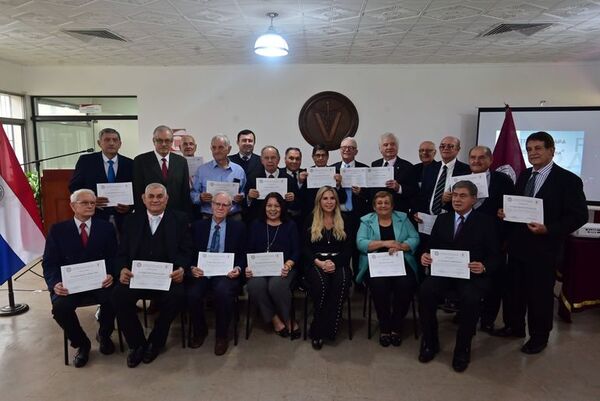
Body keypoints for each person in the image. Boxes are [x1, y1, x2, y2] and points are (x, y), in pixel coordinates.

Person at [497, 131, 587, 354]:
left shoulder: (569, 180)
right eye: (529, 149)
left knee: (539, 295)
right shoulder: (524, 175)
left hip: (544, 249)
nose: (532, 153)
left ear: (551, 150)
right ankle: (515, 327)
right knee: (514, 291)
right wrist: (505, 213)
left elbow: (579, 216)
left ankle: (539, 337)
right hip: (518, 246)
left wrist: (549, 229)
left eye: (538, 148)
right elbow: (519, 208)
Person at [419, 181, 500, 372]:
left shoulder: (486, 222)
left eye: (462, 196)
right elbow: (430, 246)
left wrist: (484, 266)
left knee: (471, 299)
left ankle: (462, 349)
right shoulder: (443, 219)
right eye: (454, 195)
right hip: (443, 273)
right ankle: (430, 342)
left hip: (471, 275)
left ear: (474, 199)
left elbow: (496, 256)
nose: (457, 199)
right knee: (425, 291)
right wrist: (425, 255)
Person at [112, 183, 191, 367]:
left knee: (177, 295)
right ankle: (137, 344)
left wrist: (181, 268)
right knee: (118, 296)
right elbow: (121, 252)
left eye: (159, 196)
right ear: (143, 199)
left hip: (167, 277)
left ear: (166, 199)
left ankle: (156, 341)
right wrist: (122, 269)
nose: (155, 200)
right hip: (137, 277)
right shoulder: (131, 221)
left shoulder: (180, 219)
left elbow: (187, 250)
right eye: (151, 196)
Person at [42, 189, 118, 367]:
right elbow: (49, 263)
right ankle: (82, 343)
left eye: (92, 202)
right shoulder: (58, 230)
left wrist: (111, 274)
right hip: (70, 284)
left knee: (115, 297)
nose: (90, 206)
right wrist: (55, 284)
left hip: (99, 281)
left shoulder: (105, 227)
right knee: (60, 307)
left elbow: (114, 257)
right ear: (72, 206)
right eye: (84, 202)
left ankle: (105, 335)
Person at [356, 191, 420, 347]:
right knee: (379, 286)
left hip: (401, 260)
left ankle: (397, 325)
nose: (383, 205)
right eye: (379, 203)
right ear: (374, 206)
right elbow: (361, 243)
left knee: (405, 285)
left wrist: (400, 246)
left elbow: (415, 238)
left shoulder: (403, 218)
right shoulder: (366, 221)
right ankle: (385, 326)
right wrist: (385, 243)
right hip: (376, 263)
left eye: (386, 202)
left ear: (392, 205)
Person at [187, 192, 246, 355]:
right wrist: (192, 267)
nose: (221, 208)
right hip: (202, 271)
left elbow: (244, 255)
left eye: (225, 205)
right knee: (192, 294)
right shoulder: (198, 226)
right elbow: (189, 253)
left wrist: (238, 269)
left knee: (223, 292)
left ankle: (221, 335)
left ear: (231, 208)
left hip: (226, 272)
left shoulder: (238, 227)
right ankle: (200, 331)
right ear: (211, 205)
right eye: (217, 204)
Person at [466, 146, 515, 333]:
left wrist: (506, 224)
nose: (476, 161)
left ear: (490, 160)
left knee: (494, 280)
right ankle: (465, 312)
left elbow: (511, 207)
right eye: (472, 157)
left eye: (481, 157)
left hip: (494, 238)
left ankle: (487, 319)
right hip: (465, 238)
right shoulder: (460, 178)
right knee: (466, 276)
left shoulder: (502, 180)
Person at [245, 192, 301, 339]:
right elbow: (249, 250)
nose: (273, 209)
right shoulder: (256, 225)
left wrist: (289, 264)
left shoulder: (290, 225)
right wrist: (248, 267)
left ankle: (288, 318)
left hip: (284, 269)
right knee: (255, 285)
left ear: (282, 208)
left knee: (276, 285)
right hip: (259, 270)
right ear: (264, 207)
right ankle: (275, 319)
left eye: (276, 206)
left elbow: (296, 251)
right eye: (269, 205)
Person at [303, 186, 352, 350]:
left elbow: (348, 249)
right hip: (316, 262)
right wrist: (319, 262)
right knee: (322, 286)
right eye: (325, 198)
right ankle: (317, 328)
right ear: (319, 201)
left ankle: (331, 327)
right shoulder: (310, 219)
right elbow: (305, 249)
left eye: (332, 198)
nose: (329, 202)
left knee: (342, 282)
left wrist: (334, 262)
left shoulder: (345, 219)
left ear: (336, 201)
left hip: (339, 261)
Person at [69, 128, 133, 231]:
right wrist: (91, 199)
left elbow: (136, 189)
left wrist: (130, 207)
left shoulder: (130, 164)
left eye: (115, 140)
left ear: (120, 143)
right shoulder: (86, 161)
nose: (111, 143)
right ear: (99, 143)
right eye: (107, 140)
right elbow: (74, 187)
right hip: (94, 216)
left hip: (123, 219)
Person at [331, 137, 370, 280]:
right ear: (340, 150)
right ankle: (343, 278)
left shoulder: (365, 169)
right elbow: (329, 194)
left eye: (351, 148)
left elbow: (371, 196)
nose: (347, 150)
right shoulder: (332, 168)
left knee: (357, 248)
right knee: (341, 247)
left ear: (356, 151)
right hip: (337, 215)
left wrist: (361, 192)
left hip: (358, 215)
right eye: (344, 147)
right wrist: (338, 185)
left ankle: (358, 280)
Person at [133, 125, 192, 215]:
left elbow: (185, 192)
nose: (164, 144)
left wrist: (187, 217)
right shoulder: (140, 161)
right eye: (160, 140)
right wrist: (140, 217)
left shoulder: (181, 162)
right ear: (154, 141)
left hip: (176, 215)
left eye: (167, 140)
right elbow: (137, 192)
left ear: (172, 142)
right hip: (149, 215)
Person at [191, 134, 246, 220]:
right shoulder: (202, 170)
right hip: (208, 217)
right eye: (214, 147)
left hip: (233, 217)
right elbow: (193, 194)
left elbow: (243, 192)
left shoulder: (239, 170)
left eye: (221, 147)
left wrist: (241, 196)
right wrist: (200, 197)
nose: (217, 151)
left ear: (229, 149)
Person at [415, 136, 470, 217]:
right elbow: (423, 195)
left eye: (450, 146)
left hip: (451, 217)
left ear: (458, 149)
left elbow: (468, 197)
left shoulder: (466, 170)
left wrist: (452, 198)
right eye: (442, 146)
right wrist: (418, 212)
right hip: (427, 218)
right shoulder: (429, 168)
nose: (445, 148)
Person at [245, 145, 296, 222]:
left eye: (273, 157)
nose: (270, 160)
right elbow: (245, 204)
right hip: (259, 220)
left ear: (278, 160)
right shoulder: (252, 178)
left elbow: (298, 204)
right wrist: (249, 197)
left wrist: (293, 199)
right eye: (266, 158)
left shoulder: (289, 179)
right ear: (261, 160)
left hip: (282, 221)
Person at [371, 132, 417, 214]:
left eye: (392, 144)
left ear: (397, 147)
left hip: (399, 211)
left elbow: (414, 191)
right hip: (378, 212)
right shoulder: (374, 165)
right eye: (385, 145)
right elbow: (372, 189)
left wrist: (399, 188)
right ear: (380, 149)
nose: (389, 147)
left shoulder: (408, 166)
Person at [281, 147, 306, 228]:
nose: (294, 161)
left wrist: (300, 183)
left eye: (297, 159)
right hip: (282, 219)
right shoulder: (278, 174)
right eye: (291, 158)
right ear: (285, 159)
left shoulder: (308, 174)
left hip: (303, 219)